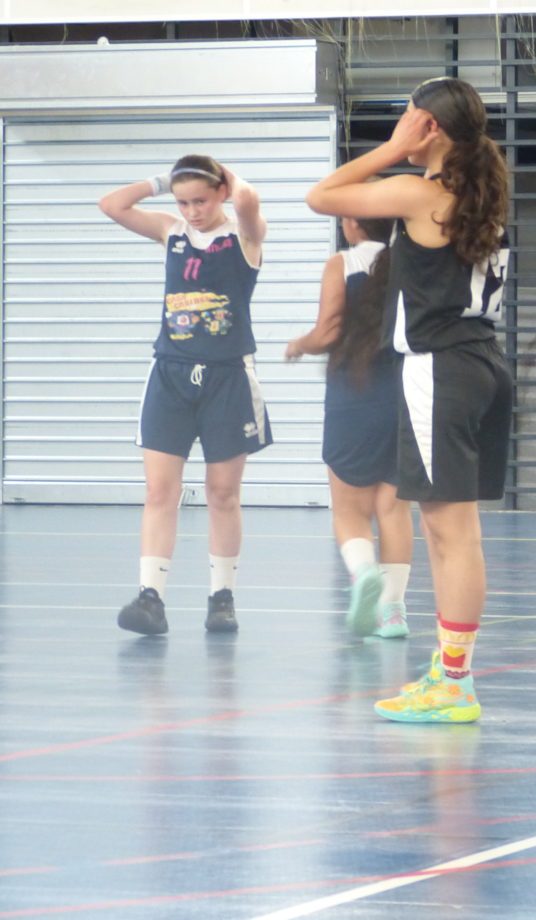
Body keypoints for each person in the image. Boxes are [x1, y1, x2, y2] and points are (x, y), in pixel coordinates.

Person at [307, 77, 511, 723]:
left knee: (450, 536)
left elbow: (321, 196)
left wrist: (393, 149)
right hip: (482, 363)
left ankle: (453, 683)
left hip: (438, 370)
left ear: (428, 126)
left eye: (407, 116)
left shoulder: (421, 192)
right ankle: (451, 676)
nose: (400, 124)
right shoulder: (479, 192)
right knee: (457, 535)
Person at [99, 156, 271, 636]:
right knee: (160, 491)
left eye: (201, 200)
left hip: (227, 376)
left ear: (221, 193)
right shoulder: (171, 231)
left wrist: (224, 174)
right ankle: (150, 597)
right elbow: (111, 204)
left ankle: (222, 597)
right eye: (184, 202)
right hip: (170, 374)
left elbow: (249, 199)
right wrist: (162, 181)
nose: (193, 211)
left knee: (222, 493)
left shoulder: (245, 235)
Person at [286, 215, 417, 636]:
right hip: (405, 393)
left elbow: (328, 332)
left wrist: (299, 344)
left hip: (353, 394)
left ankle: (364, 574)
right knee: (394, 508)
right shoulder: (410, 262)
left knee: (349, 510)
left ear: (353, 224)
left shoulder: (341, 263)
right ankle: (393, 612)